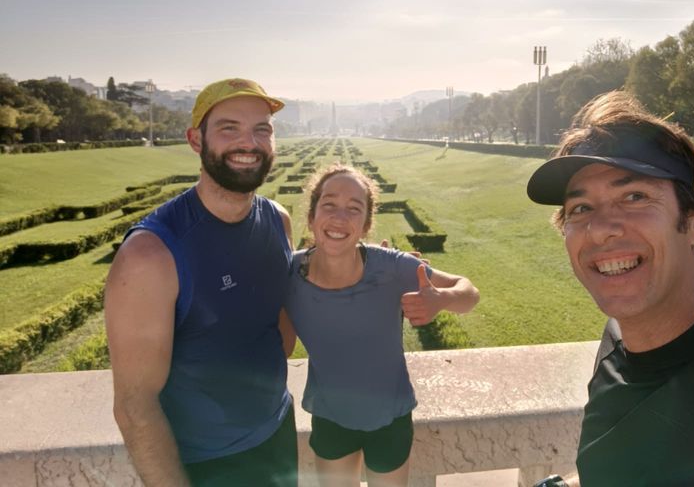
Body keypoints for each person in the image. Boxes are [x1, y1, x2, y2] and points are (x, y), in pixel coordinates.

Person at [527, 91, 694, 487]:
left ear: (693, 223)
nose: (601, 228)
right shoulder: (617, 346)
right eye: (580, 209)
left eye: (634, 197)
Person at [105, 78, 298, 487]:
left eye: (262, 129)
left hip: (279, 433)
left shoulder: (278, 221)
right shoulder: (150, 254)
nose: (249, 142)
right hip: (209, 466)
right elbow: (134, 407)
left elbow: (277, 325)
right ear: (196, 140)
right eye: (230, 128)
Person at [285, 164, 479, 487]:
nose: (339, 217)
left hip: (390, 418)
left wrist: (441, 299)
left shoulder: (391, 266)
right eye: (329, 204)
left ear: (365, 225)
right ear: (311, 216)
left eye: (354, 209)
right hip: (331, 417)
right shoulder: (289, 273)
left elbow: (469, 292)